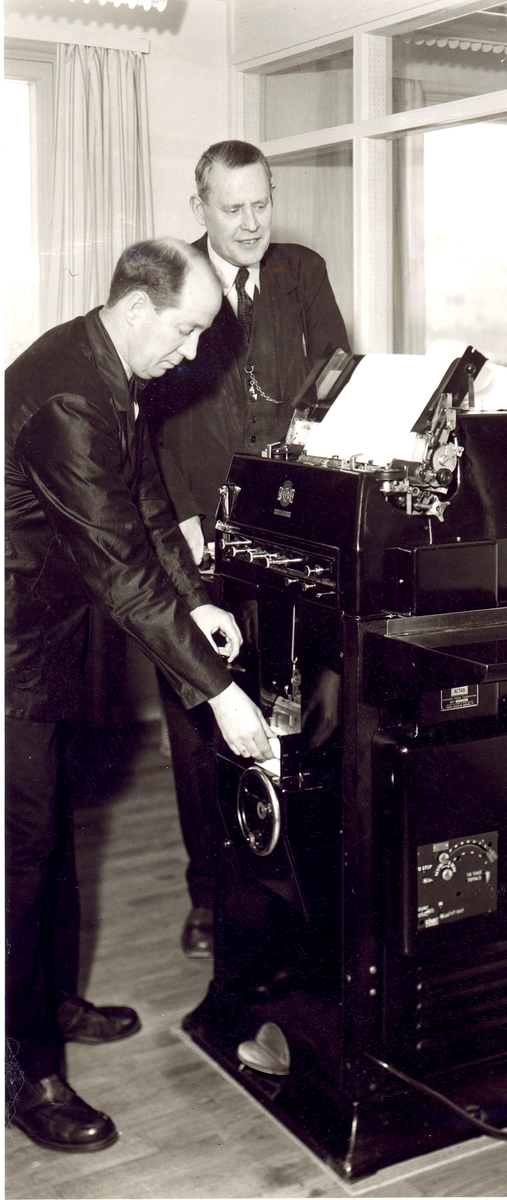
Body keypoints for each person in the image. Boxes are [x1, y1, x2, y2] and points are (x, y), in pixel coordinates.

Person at [5, 238, 273, 1153]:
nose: (192, 355)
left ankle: (53, 1002)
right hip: (10, 650)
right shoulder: (71, 397)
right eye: (186, 332)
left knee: (52, 839)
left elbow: (151, 510)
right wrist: (220, 693)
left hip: (48, 635)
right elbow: (120, 569)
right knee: (20, 858)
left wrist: (199, 603)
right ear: (134, 309)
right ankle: (27, 1074)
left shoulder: (113, 371)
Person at [144, 140, 350, 958]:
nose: (250, 223)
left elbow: (336, 387)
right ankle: (210, 894)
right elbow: (144, 419)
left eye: (261, 204)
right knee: (201, 721)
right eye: (232, 209)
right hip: (195, 539)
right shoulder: (169, 279)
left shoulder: (303, 273)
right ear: (199, 208)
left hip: (288, 537)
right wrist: (182, 517)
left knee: (296, 710)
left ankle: (288, 882)